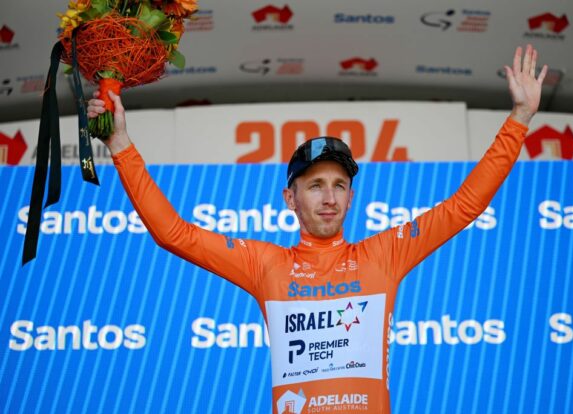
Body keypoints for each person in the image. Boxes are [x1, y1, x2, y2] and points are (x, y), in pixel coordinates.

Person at [88, 45, 547, 414]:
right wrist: (122, 144)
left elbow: (464, 205)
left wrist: (520, 118)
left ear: (351, 196)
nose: (329, 198)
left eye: (339, 186)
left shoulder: (382, 255)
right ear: (290, 197)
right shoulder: (265, 265)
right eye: (315, 186)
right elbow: (173, 233)